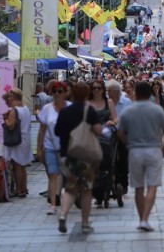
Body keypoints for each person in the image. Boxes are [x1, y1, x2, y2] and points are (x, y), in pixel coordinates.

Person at [117, 82, 164, 232]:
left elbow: (120, 132)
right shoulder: (157, 110)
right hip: (154, 150)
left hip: (135, 151)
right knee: (152, 185)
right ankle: (145, 219)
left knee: (138, 188)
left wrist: (129, 144)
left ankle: (142, 219)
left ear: (136, 92)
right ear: (150, 94)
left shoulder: (128, 110)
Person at [54, 82, 102, 235]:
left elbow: (57, 131)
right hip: (85, 156)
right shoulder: (90, 111)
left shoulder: (64, 111)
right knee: (86, 189)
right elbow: (98, 130)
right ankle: (85, 223)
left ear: (72, 94)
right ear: (87, 95)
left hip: (68, 155)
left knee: (70, 188)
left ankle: (63, 214)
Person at [37, 81, 71, 215]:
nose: (57, 94)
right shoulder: (47, 109)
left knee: (67, 174)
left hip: (67, 147)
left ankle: (68, 199)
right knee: (52, 174)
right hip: (50, 146)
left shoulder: (70, 108)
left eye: (60, 91)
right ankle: (53, 204)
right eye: (54, 91)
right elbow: (42, 130)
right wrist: (39, 149)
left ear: (65, 93)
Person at [2, 88, 32, 199]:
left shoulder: (14, 110)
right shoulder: (25, 108)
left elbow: (11, 125)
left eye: (9, 97)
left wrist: (5, 118)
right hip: (25, 138)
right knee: (23, 166)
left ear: (13, 97)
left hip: (17, 140)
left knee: (17, 165)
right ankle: (24, 188)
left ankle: (19, 190)